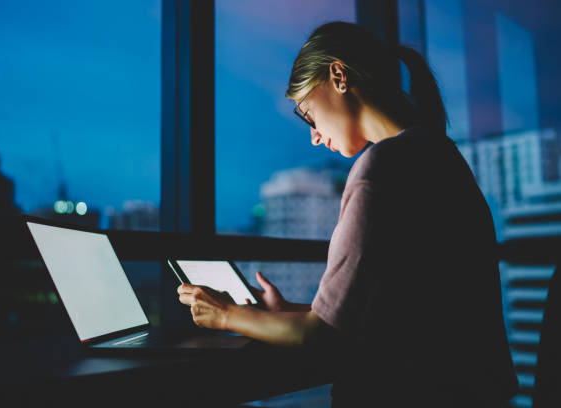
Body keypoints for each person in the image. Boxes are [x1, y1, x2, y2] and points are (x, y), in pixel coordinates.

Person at [178, 22, 518, 407]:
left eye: (307, 113)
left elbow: (325, 339)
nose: (314, 135)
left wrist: (225, 316)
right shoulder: (441, 155)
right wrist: (291, 311)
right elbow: (402, 317)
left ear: (338, 76)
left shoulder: (384, 167)